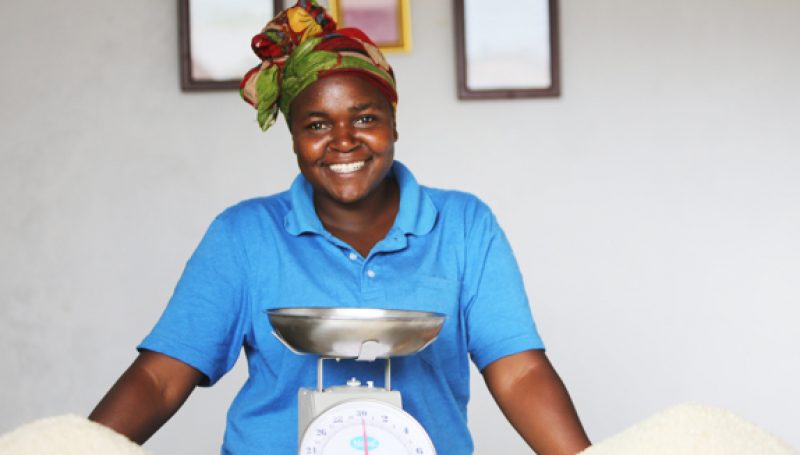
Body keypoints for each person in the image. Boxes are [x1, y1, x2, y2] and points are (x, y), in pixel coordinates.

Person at [89, 1, 591, 454]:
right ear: (294, 139)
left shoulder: (464, 225)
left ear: (394, 123)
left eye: (364, 117)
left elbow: (519, 372)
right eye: (317, 125)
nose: (343, 141)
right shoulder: (243, 235)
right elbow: (160, 379)